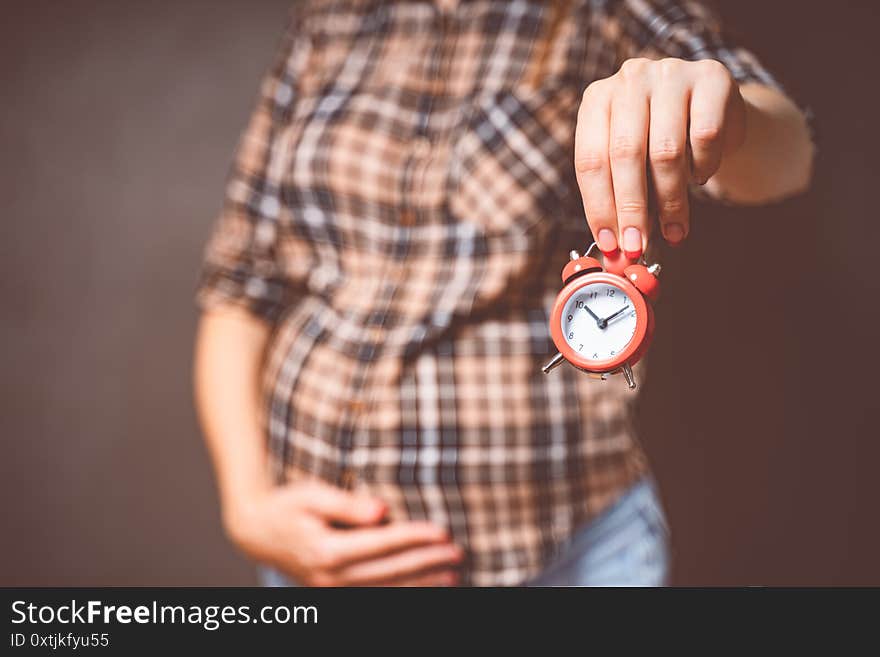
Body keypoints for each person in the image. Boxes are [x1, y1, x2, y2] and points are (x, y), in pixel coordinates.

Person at [193, 0, 813, 587]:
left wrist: (719, 109)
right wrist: (245, 504)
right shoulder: (332, 19)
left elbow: (787, 154)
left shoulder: (602, 12)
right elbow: (239, 286)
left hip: (559, 564)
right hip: (310, 561)